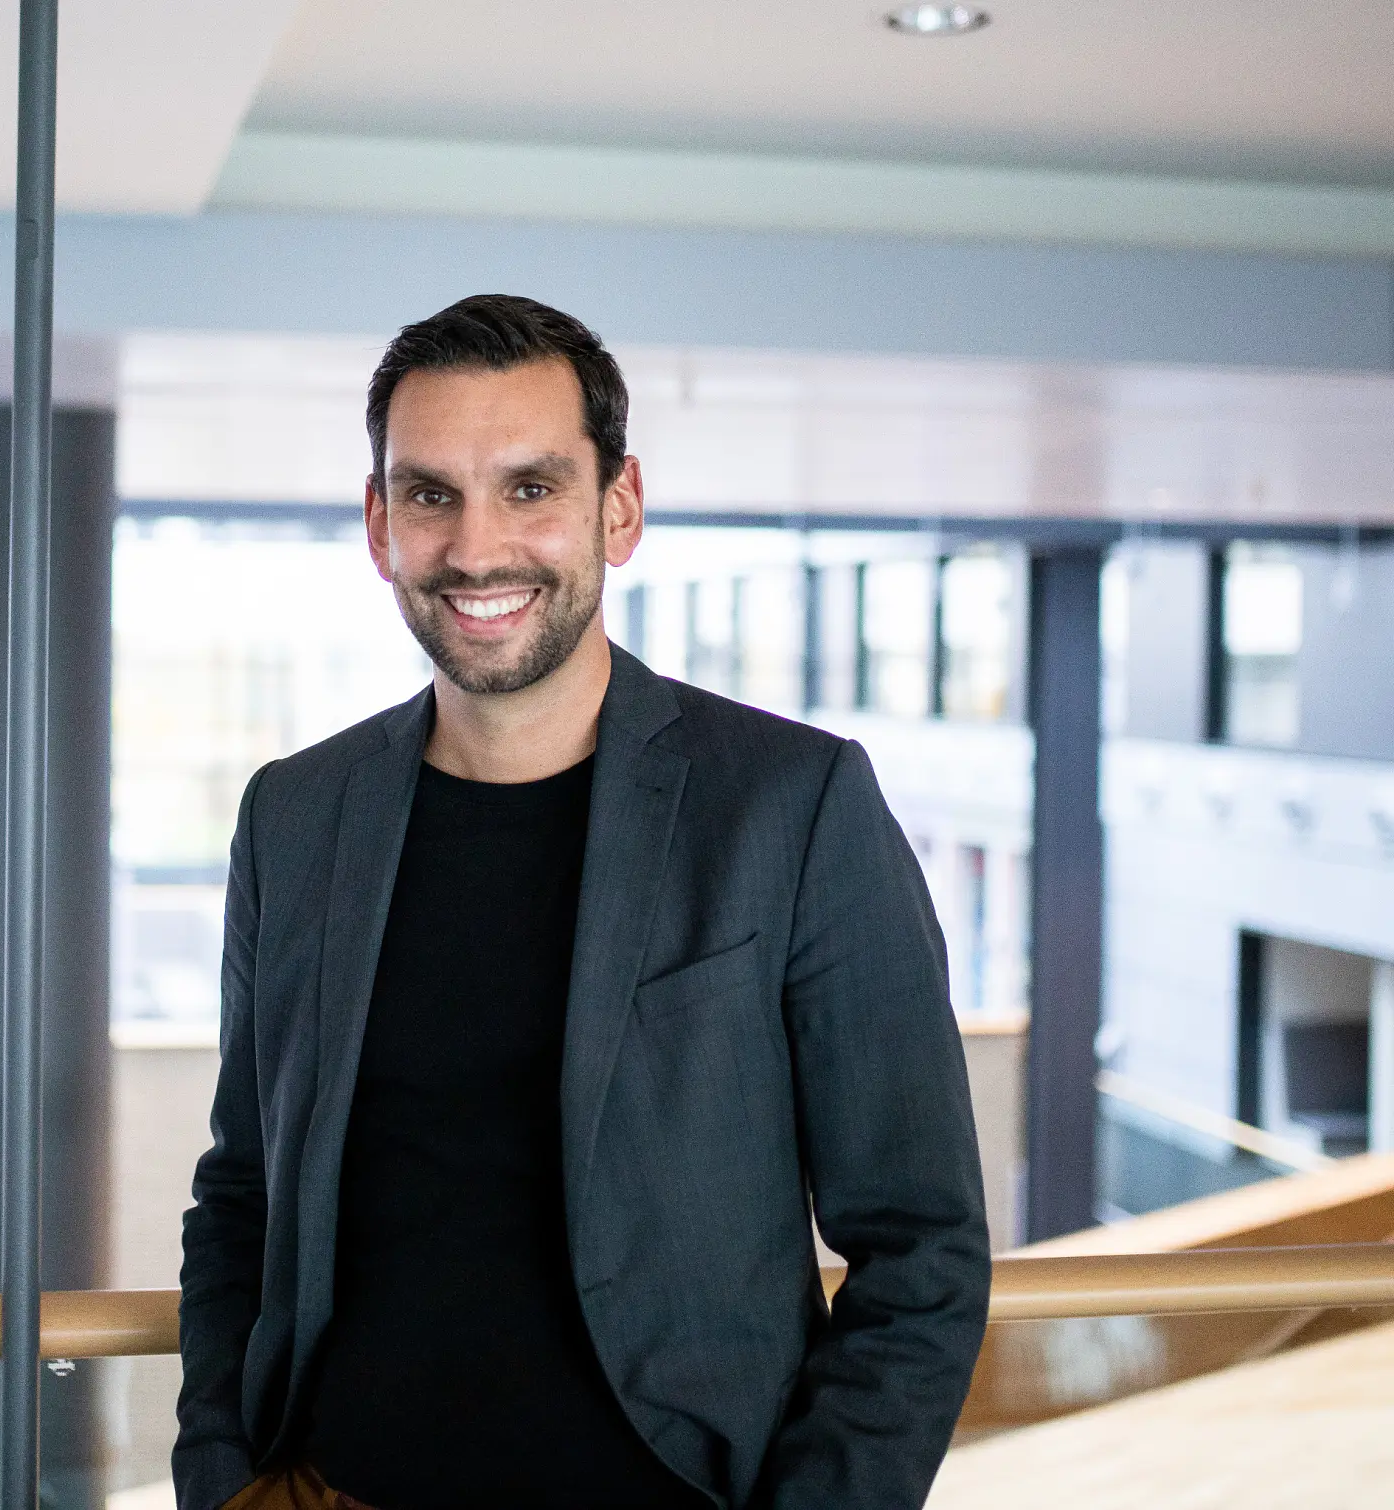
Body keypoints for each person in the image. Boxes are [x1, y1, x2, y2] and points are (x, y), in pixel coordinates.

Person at [174, 294, 990, 1510]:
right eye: (430, 493)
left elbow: (922, 1248)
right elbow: (241, 1192)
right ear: (378, 522)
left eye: (530, 488)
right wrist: (222, 1476)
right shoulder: (295, 816)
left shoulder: (792, 805)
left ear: (620, 508)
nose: (474, 548)